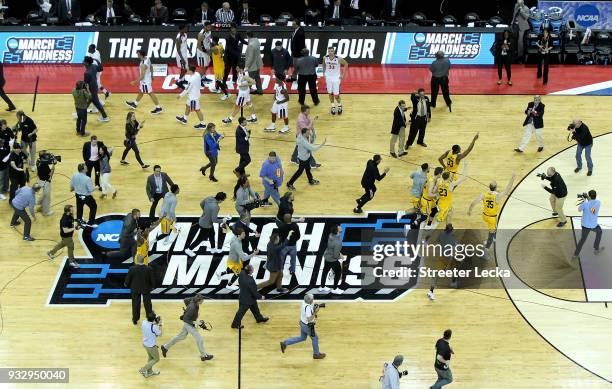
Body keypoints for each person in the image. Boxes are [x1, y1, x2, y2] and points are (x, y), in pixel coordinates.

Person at [468, 172, 516, 258]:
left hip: (485, 215)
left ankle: (493, 237)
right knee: (491, 233)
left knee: (495, 221)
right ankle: (484, 252)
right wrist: (512, 178)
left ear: (489, 187)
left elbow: (473, 203)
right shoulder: (497, 196)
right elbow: (507, 189)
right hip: (491, 219)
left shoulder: (483, 194)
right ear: (496, 188)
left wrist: (470, 210)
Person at [161, 295, 214, 362]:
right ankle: (204, 356)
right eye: (202, 300)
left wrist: (186, 311)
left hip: (189, 321)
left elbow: (185, 300)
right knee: (199, 339)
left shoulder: (193, 300)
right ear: (199, 301)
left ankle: (165, 347)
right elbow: (185, 319)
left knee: (180, 337)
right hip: (188, 324)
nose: (203, 301)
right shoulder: (192, 307)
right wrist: (195, 323)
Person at [280, 293, 326, 359]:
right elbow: (309, 319)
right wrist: (315, 312)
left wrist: (314, 308)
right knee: (315, 338)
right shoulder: (307, 307)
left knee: (302, 338)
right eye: (312, 299)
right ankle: (316, 354)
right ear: (310, 300)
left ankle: (285, 343)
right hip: (307, 326)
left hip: (302, 323)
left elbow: (308, 311)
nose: (313, 300)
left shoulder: (304, 303)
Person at [185, 192, 227, 257]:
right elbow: (214, 220)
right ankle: (188, 249)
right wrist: (223, 220)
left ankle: (213, 249)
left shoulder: (209, 198)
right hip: (206, 225)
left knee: (212, 234)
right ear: (221, 200)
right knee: (200, 238)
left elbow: (201, 203)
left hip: (203, 220)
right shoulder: (216, 207)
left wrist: (206, 211)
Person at [230, 264, 269, 329]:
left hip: (244, 296)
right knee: (241, 313)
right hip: (247, 300)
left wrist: (230, 282)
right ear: (250, 271)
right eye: (252, 269)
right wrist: (261, 297)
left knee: (255, 309)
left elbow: (236, 274)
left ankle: (259, 318)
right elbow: (254, 292)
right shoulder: (250, 281)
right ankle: (235, 324)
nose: (253, 269)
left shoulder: (242, 272)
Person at [125, 50, 163, 114]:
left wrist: (135, 82)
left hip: (145, 81)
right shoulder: (147, 58)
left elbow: (142, 77)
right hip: (147, 79)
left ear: (141, 55)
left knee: (150, 93)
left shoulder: (143, 65)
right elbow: (151, 66)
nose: (137, 55)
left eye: (138, 54)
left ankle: (158, 108)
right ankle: (135, 104)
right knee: (141, 92)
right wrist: (152, 75)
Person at [572, 190, 604, 262]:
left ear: (589, 196)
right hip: (593, 225)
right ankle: (596, 249)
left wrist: (584, 202)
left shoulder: (585, 204)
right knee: (599, 232)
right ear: (595, 195)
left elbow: (579, 210)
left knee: (582, 240)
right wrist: (587, 200)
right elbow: (593, 211)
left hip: (585, 225)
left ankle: (575, 255)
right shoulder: (598, 202)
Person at [125, 253, 156, 325]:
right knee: (148, 304)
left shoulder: (132, 268)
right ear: (143, 260)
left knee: (135, 304)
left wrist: (126, 284)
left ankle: (135, 319)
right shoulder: (149, 268)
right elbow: (152, 280)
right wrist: (153, 286)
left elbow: (128, 279)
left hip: (135, 289)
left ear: (136, 260)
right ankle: (149, 318)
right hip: (146, 288)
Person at [322, 47, 348, 115]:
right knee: (330, 93)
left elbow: (346, 64)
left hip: (336, 78)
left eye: (332, 51)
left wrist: (343, 74)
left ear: (334, 52)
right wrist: (324, 73)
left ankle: (339, 105)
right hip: (328, 77)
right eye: (329, 51)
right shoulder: (325, 58)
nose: (330, 52)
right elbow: (323, 64)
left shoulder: (338, 58)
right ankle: (333, 106)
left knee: (336, 94)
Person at [320, 224, 345, 294]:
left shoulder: (330, 235)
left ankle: (322, 287)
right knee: (338, 272)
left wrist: (339, 253)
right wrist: (341, 256)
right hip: (332, 259)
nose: (340, 227)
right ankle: (335, 289)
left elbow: (333, 249)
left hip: (327, 256)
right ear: (337, 230)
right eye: (339, 227)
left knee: (325, 271)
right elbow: (335, 255)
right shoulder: (338, 242)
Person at [83, 56, 109, 122]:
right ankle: (80, 113)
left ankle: (105, 117)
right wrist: (97, 60)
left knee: (96, 103)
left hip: (91, 89)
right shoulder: (94, 66)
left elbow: (85, 84)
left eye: (84, 61)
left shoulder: (86, 73)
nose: (83, 62)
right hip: (95, 87)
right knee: (89, 101)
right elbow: (101, 68)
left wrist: (86, 92)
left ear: (86, 63)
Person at [223, 23, 247, 87]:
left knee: (235, 67)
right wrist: (236, 54)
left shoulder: (237, 34)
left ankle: (235, 78)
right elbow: (229, 48)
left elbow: (242, 41)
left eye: (234, 28)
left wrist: (249, 43)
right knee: (227, 69)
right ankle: (224, 82)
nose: (234, 30)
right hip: (229, 55)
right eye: (232, 28)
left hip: (236, 54)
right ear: (230, 29)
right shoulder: (227, 37)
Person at [139, 312, 162, 378]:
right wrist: (160, 325)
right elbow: (160, 334)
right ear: (153, 319)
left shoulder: (144, 322)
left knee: (151, 358)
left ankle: (150, 372)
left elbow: (150, 325)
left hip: (145, 344)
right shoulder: (154, 327)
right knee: (156, 359)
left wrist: (155, 322)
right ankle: (143, 369)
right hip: (151, 346)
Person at [35, 150, 55, 216]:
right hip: (46, 182)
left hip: (40, 180)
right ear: (43, 157)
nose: (47, 156)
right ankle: (46, 212)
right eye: (46, 155)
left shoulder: (38, 161)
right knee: (47, 197)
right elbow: (50, 175)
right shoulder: (44, 165)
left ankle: (39, 203)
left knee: (44, 194)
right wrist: (53, 166)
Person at [210, 36, 230, 100]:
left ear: (213, 41)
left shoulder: (214, 48)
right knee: (218, 80)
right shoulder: (221, 45)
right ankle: (217, 89)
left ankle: (226, 94)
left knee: (218, 81)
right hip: (221, 64)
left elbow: (207, 52)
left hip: (218, 66)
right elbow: (223, 51)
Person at [175, 25, 190, 89]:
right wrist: (182, 58)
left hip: (184, 54)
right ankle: (178, 81)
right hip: (180, 55)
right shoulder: (178, 38)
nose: (187, 29)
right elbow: (178, 50)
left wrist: (189, 49)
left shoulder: (185, 34)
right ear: (182, 29)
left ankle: (183, 80)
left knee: (183, 68)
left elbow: (185, 43)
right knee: (185, 69)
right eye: (185, 28)